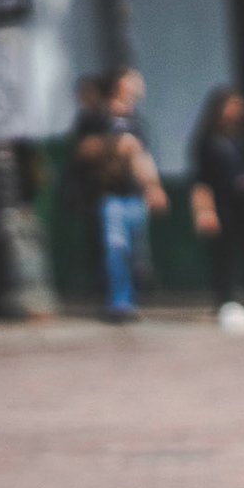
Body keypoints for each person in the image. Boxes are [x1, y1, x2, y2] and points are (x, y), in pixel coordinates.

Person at [74, 69, 167, 322]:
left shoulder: (136, 120)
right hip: (109, 194)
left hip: (135, 193)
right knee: (115, 248)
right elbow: (82, 150)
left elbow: (144, 156)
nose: (139, 83)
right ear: (119, 83)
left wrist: (154, 186)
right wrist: (115, 144)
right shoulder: (97, 116)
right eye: (132, 78)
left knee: (137, 254)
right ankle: (118, 302)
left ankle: (133, 298)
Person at [188, 86, 244, 313]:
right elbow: (200, 180)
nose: (235, 111)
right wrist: (204, 211)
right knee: (224, 253)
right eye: (231, 106)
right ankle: (226, 299)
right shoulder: (207, 141)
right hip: (222, 203)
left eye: (238, 106)